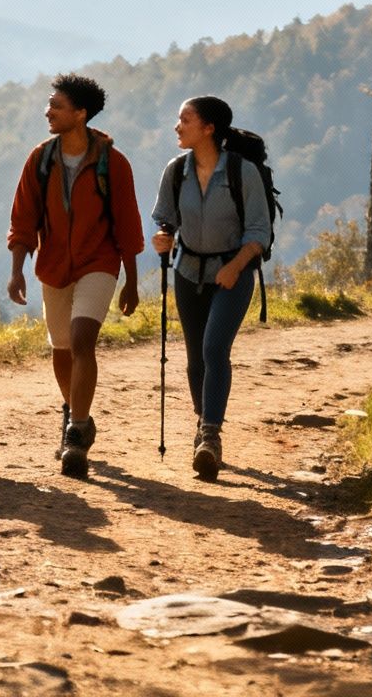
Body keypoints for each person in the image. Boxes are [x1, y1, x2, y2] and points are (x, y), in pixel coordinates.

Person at [7, 73, 143, 478]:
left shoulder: (112, 163)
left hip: (98, 262)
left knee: (83, 340)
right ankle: (74, 411)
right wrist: (17, 271)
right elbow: (23, 219)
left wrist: (132, 281)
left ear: (80, 114)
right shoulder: (40, 159)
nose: (47, 111)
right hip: (53, 266)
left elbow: (127, 225)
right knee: (62, 349)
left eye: (56, 106)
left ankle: (77, 434)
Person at [150, 95, 271, 481]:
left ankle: (211, 436)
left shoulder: (242, 172)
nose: (177, 126)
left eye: (185, 120)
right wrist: (163, 238)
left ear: (208, 128)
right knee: (195, 357)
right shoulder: (176, 171)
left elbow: (259, 231)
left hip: (232, 272)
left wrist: (236, 266)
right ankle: (204, 427)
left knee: (214, 348)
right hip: (188, 272)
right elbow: (166, 220)